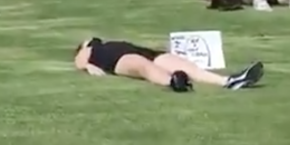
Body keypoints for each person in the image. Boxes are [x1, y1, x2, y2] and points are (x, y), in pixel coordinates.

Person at [73, 37, 264, 91]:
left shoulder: (106, 43)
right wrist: (88, 66)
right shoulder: (91, 50)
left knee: (185, 65)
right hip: (116, 61)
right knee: (144, 67)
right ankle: (172, 82)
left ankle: (228, 81)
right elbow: (80, 61)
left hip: (145, 52)